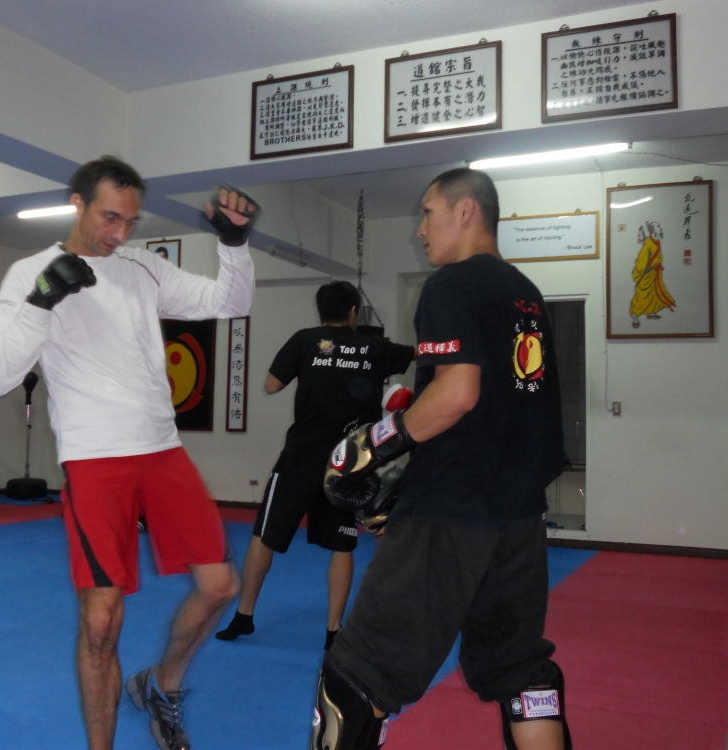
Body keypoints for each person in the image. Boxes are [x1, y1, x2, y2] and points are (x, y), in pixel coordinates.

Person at [0, 156, 258, 750]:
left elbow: (228, 302)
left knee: (220, 587)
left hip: (162, 450)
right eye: (110, 218)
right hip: (94, 457)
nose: (119, 233)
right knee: (101, 620)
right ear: (77, 203)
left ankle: (161, 684)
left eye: (130, 221)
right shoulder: (29, 272)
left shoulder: (140, 267)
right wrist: (42, 299)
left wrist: (233, 245)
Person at [313, 168, 571, 750]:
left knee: (356, 676)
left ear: (465, 211)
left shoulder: (452, 284)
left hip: (450, 509)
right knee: (521, 671)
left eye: (428, 213)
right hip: (518, 517)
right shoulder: (526, 295)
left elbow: (457, 395)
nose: (421, 229)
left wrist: (371, 446)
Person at [215, 281, 414, 650]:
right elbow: (422, 353)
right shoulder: (376, 347)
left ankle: (244, 616)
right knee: (342, 545)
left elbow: (271, 385)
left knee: (264, 536)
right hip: (349, 463)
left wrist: (317, 373)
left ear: (321, 311)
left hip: (300, 457)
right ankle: (334, 631)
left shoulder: (305, 340)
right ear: (354, 312)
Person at [629, 220, 676, 328]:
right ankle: (635, 315)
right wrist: (638, 273)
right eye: (657, 226)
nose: (660, 227)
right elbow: (641, 260)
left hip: (656, 275)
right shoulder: (649, 243)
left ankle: (650, 312)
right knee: (642, 295)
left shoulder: (657, 241)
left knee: (654, 295)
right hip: (648, 275)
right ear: (653, 230)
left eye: (659, 226)